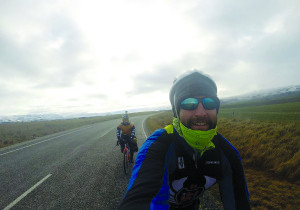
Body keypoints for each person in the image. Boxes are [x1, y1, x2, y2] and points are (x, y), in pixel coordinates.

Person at [118, 70, 251, 209]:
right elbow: (142, 199)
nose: (201, 112)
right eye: (189, 103)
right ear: (176, 111)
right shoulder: (158, 146)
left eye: (209, 103)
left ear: (216, 109)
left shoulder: (227, 154)